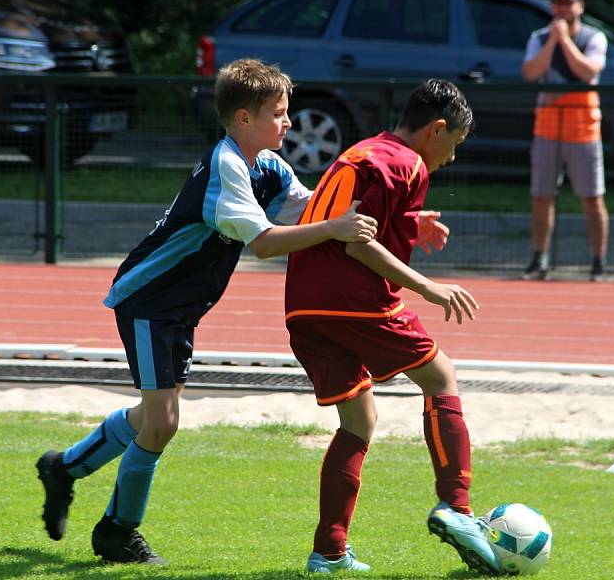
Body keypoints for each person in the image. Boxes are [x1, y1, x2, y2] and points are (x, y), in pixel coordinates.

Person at [35, 59, 378, 564]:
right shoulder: (228, 167)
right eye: (279, 114)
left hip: (180, 308)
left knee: (153, 416)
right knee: (164, 423)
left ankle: (64, 467)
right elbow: (264, 243)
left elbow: (312, 212)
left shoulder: (269, 167)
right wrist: (335, 229)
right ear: (243, 118)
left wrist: (395, 223)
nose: (288, 122)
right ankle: (116, 532)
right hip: (149, 299)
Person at [284, 79, 502, 575]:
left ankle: (329, 552)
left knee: (358, 422)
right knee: (441, 377)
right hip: (353, 298)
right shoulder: (409, 163)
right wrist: (428, 287)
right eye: (454, 145)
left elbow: (359, 219)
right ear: (436, 129)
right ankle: (457, 507)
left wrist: (412, 221)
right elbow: (359, 245)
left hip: (304, 304)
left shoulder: (365, 150)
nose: (450, 158)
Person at [521, 0, 609, 282]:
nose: (562, 9)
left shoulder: (594, 37)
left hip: (584, 128)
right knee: (541, 196)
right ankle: (538, 259)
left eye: (568, 3)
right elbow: (531, 73)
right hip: (547, 125)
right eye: (558, 3)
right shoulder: (539, 38)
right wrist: (552, 42)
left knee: (592, 197)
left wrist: (565, 41)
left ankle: (598, 261)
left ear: (580, 7)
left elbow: (588, 71)